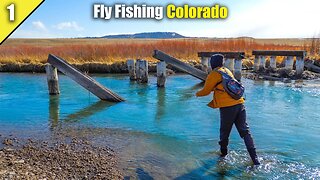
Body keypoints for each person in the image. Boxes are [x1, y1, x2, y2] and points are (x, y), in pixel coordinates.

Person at [196, 54, 260, 165]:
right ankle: (255, 160)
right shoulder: (226, 71)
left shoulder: (214, 74)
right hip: (240, 104)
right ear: (222, 63)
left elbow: (205, 91)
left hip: (227, 107)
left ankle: (223, 156)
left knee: (224, 133)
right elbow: (224, 86)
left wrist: (196, 94)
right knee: (245, 132)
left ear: (212, 63)